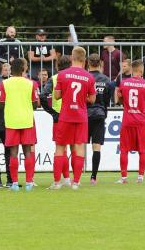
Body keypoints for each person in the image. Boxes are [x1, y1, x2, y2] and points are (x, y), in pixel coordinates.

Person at [50, 46, 96, 190]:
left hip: (65, 116)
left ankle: (57, 182)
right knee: (79, 147)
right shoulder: (89, 77)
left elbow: (56, 96)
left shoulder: (63, 74)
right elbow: (92, 99)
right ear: (84, 60)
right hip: (81, 116)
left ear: (71, 57)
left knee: (60, 147)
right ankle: (76, 182)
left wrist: (67, 93)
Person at [0, 58, 40, 192]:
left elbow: (1, 103)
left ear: (12, 69)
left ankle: (15, 183)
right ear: (23, 68)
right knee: (28, 152)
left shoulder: (4, 83)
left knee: (13, 153)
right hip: (27, 120)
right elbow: (35, 104)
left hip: (11, 120)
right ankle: (28, 182)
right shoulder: (31, 84)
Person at [115, 60, 145, 184]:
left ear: (132, 69)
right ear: (141, 70)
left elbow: (120, 99)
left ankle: (124, 178)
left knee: (124, 149)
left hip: (128, 120)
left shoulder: (124, 83)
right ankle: (140, 177)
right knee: (142, 150)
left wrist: (127, 105)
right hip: (141, 121)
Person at [40, 55, 72, 187]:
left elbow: (42, 96)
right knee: (73, 148)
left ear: (57, 66)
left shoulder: (54, 78)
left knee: (60, 148)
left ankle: (57, 182)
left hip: (60, 117)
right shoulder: (75, 77)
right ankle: (70, 180)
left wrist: (52, 112)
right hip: (75, 116)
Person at [86, 54, 113, 184]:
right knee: (96, 147)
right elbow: (108, 100)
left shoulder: (84, 78)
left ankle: (76, 178)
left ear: (88, 63)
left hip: (84, 115)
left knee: (78, 146)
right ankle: (93, 177)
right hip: (99, 114)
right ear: (100, 63)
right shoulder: (106, 80)